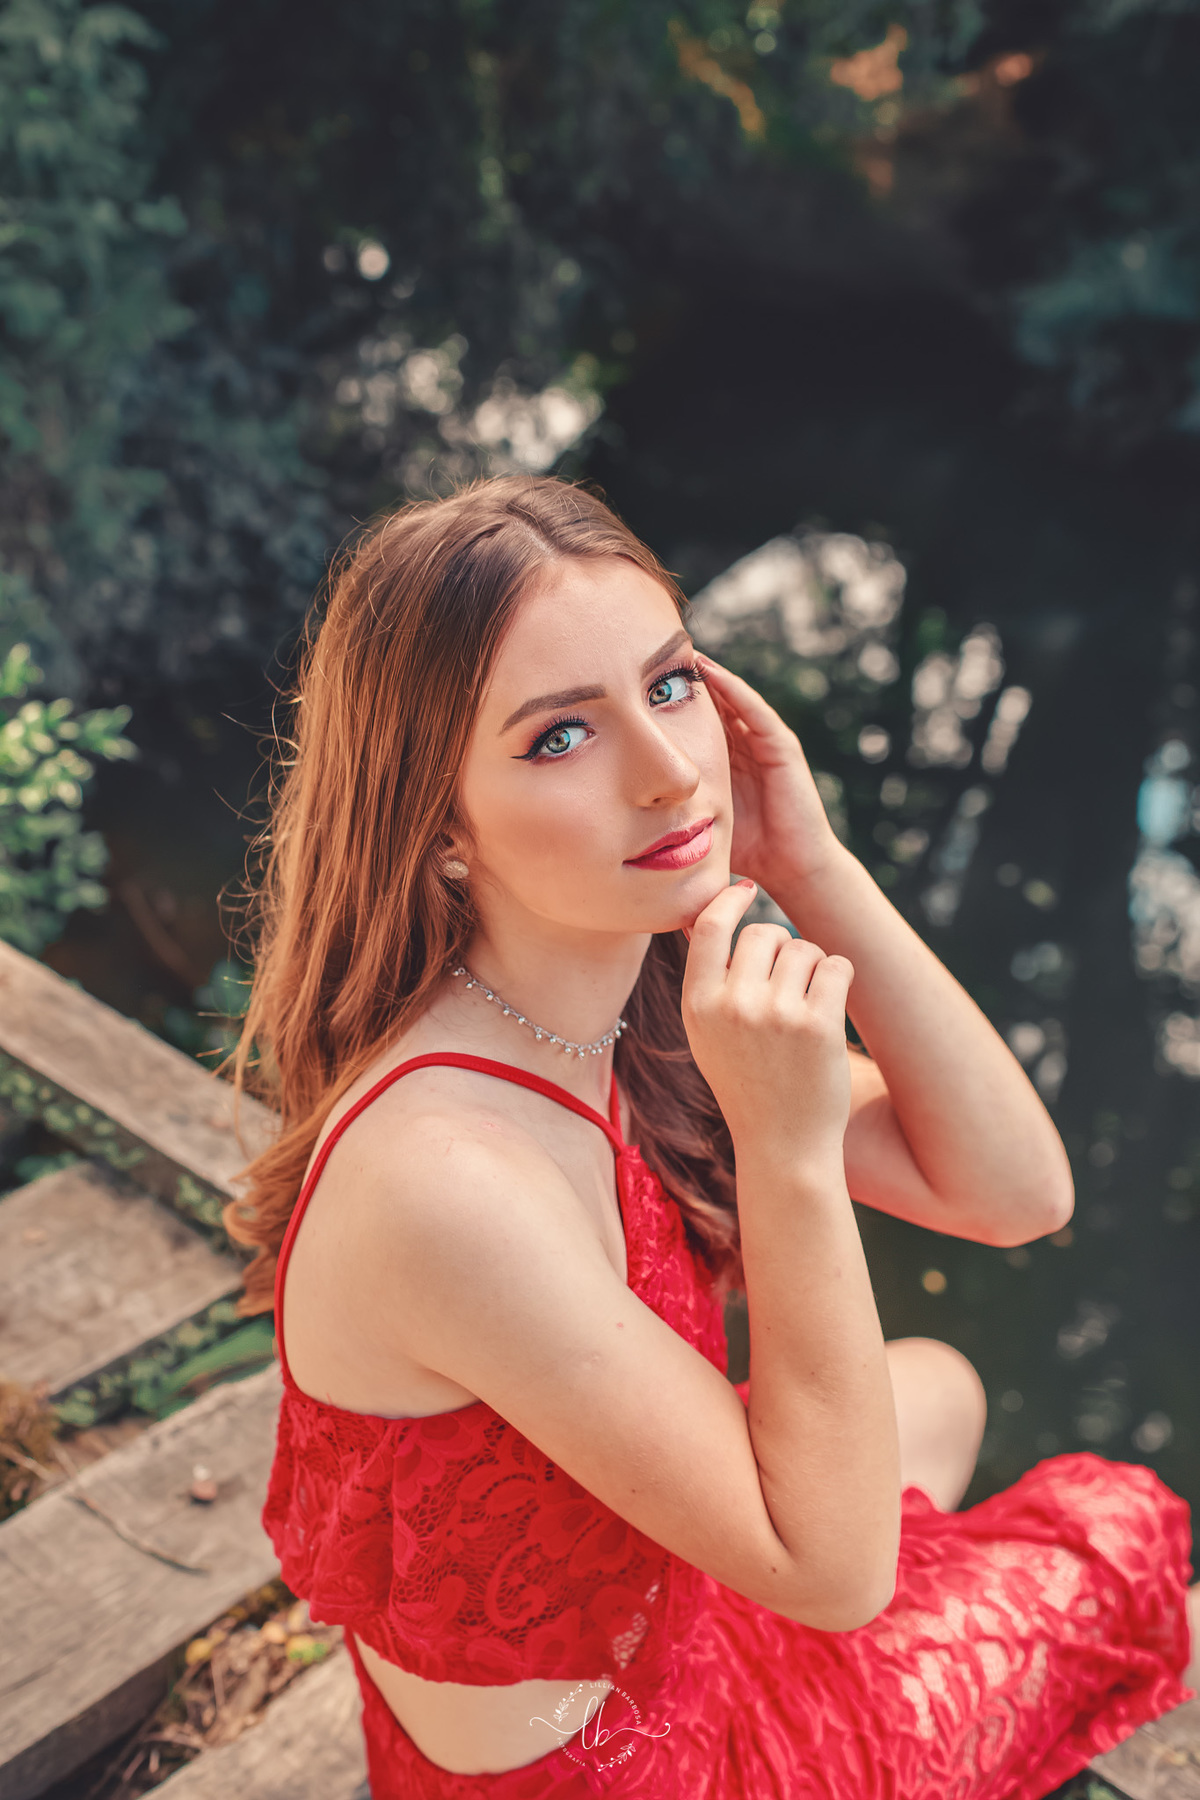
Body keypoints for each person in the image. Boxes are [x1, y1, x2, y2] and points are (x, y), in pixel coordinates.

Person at [229, 475, 1196, 1799]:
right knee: (1114, 1548)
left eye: (670, 683)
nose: (671, 770)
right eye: (560, 738)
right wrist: (791, 1155)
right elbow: (839, 1579)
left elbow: (1015, 1192)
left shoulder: (622, 997)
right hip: (626, 1774)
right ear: (441, 832)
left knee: (945, 1387)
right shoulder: (445, 1180)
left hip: (682, 1629)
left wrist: (813, 865)